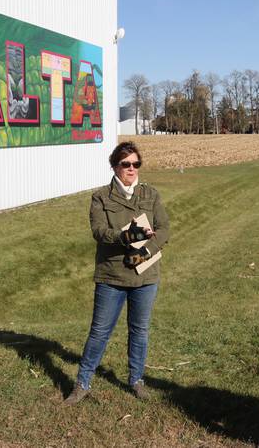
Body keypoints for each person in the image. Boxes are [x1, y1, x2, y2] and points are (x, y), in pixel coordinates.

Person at [65, 141, 170, 405]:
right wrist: (124, 237)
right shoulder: (101, 197)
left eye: (136, 164)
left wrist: (145, 252)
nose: (132, 169)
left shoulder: (151, 194)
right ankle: (82, 383)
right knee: (99, 332)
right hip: (112, 276)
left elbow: (164, 228)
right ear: (115, 166)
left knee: (139, 330)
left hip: (145, 276)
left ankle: (136, 380)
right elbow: (99, 232)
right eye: (126, 164)